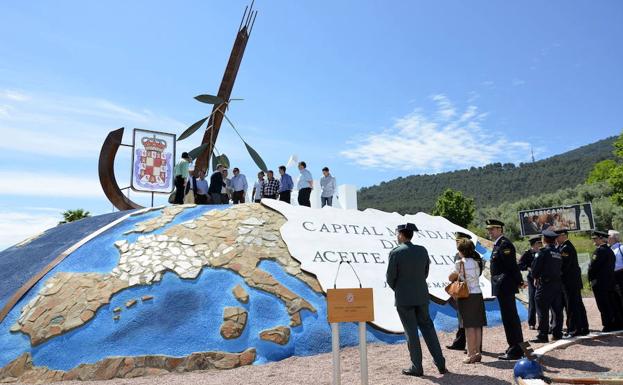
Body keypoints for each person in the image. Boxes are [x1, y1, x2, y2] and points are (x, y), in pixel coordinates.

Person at [386, 223, 447, 377]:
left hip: (404, 298)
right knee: (428, 328)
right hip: (421, 296)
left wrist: (400, 289)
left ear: (401, 235)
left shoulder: (396, 252)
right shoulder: (422, 250)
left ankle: (417, 367)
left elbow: (390, 277)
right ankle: (440, 363)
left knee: (411, 332)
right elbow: (425, 272)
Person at [486, 219, 524, 360]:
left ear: (500, 230)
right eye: (488, 229)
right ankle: (514, 346)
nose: (489, 232)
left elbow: (511, 266)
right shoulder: (498, 245)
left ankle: (516, 349)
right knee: (508, 317)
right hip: (502, 287)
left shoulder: (504, 244)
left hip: (505, 286)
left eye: (492, 229)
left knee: (510, 318)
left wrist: (519, 281)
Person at [448, 238, 487, 364]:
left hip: (467, 296)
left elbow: (451, 277)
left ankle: (470, 354)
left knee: (469, 326)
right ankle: (478, 353)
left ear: (461, 251)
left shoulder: (460, 263)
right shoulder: (477, 262)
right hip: (478, 294)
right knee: (477, 325)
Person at [531, 229, 563, 342]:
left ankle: (543, 335)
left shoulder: (542, 252)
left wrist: (535, 277)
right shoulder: (558, 252)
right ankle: (557, 333)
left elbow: (535, 270)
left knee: (542, 310)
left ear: (544, 239)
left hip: (545, 285)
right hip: (557, 284)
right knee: (557, 310)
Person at [556, 229, 589, 337]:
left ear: (564, 236)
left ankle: (574, 329)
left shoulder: (566, 248)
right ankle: (583, 327)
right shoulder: (564, 247)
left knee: (572, 305)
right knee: (577, 304)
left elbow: (564, 266)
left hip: (569, 282)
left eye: (558, 236)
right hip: (572, 281)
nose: (556, 238)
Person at [589, 230, 623, 332]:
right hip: (609, 282)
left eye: (595, 238)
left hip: (600, 283)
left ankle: (608, 324)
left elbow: (592, 267)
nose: (594, 240)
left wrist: (590, 279)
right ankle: (616, 323)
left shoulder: (599, 251)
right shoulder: (610, 251)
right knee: (611, 303)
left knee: (603, 304)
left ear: (601, 239)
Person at [446, 231, 473, 352]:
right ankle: (460, 342)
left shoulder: (473, 255)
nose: (457, 243)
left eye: (459, 241)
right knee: (461, 317)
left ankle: (474, 346)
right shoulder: (457, 255)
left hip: (468, 289)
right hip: (459, 289)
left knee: (471, 319)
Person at [518, 235, 542, 330]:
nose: (540, 244)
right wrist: (527, 268)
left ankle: (542, 323)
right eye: (538, 243)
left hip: (542, 278)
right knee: (532, 299)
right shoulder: (528, 253)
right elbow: (520, 265)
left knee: (542, 301)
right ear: (534, 244)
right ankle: (532, 323)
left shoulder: (542, 252)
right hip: (532, 279)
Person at [609, 230, 623, 314]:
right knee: (616, 297)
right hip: (612, 276)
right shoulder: (609, 248)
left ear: (614, 238)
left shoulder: (621, 247)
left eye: (608, 236)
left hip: (620, 274)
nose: (607, 237)